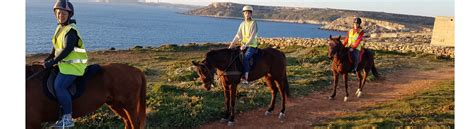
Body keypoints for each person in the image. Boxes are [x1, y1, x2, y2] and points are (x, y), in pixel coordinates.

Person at [43, 0, 88, 127]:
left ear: (69, 15)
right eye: (58, 13)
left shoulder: (71, 31)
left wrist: (52, 62)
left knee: (59, 86)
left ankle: (68, 118)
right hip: (63, 64)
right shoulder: (60, 28)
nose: (60, 15)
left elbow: (66, 50)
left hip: (74, 66)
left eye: (63, 13)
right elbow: (56, 48)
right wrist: (47, 59)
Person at [228, 5, 259, 84]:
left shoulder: (253, 23)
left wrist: (246, 45)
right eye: (246, 13)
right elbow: (238, 35)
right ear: (243, 14)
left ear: (251, 14)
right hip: (243, 45)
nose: (247, 14)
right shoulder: (242, 24)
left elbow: (252, 36)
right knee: (235, 56)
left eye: (249, 13)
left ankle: (246, 77)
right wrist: (231, 45)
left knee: (245, 58)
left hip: (252, 45)